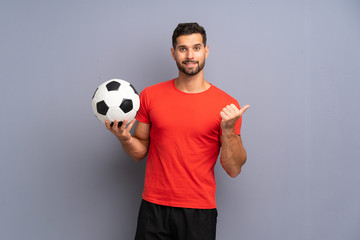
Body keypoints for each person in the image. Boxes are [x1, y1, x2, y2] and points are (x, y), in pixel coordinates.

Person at [105, 22, 250, 240]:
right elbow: (139, 152)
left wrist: (228, 130)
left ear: (206, 51)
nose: (190, 55)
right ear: (173, 53)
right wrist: (125, 138)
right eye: (183, 49)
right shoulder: (150, 95)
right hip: (153, 206)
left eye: (196, 48)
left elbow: (234, 169)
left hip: (199, 211)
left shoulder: (227, 105)